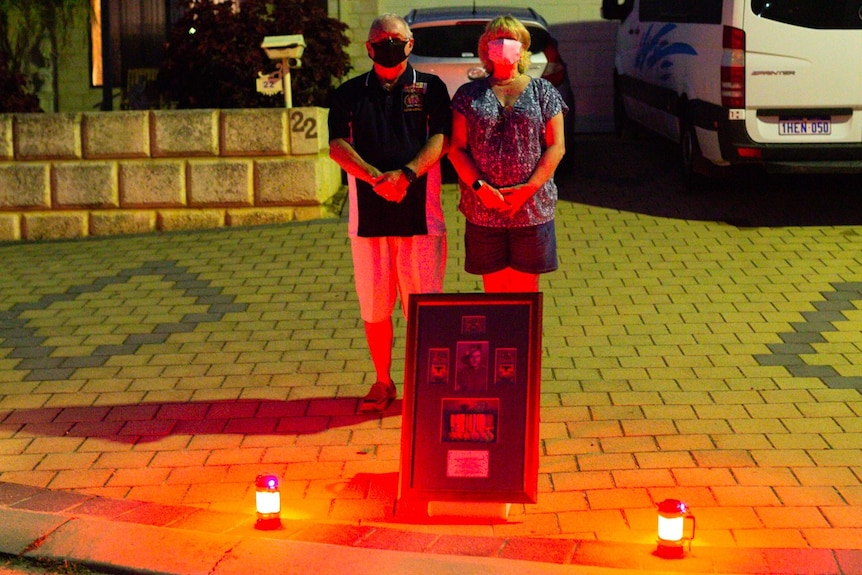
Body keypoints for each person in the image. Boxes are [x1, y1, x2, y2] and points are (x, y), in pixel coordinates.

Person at [328, 13, 452, 413]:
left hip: (421, 219)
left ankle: (426, 384)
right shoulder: (349, 93)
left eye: (396, 38)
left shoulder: (431, 88)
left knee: (425, 309)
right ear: (368, 48)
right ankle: (383, 381)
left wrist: (408, 174)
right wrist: (373, 177)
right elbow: (337, 145)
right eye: (380, 39)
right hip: (368, 222)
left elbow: (442, 139)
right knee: (375, 307)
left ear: (410, 44)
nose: (388, 43)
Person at [448, 15, 568, 293]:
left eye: (511, 39)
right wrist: (481, 188)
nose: (503, 45)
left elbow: (556, 146)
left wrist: (530, 188)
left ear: (523, 47)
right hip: (483, 211)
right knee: (496, 294)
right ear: (485, 48)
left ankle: (523, 339)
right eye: (496, 39)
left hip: (531, 211)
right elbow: (456, 148)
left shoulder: (543, 91)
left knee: (526, 296)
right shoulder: (469, 94)